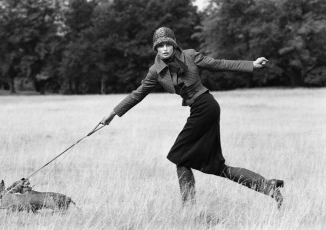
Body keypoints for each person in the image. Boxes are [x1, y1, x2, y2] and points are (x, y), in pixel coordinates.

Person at [101, 27, 284, 208]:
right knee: (217, 167)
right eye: (160, 45)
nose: (164, 48)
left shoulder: (190, 55)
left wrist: (251, 64)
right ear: (155, 48)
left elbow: (217, 64)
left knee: (179, 158)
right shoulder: (155, 71)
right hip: (198, 110)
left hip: (206, 106)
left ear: (174, 45)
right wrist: (112, 113)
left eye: (168, 44)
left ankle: (189, 209)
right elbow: (137, 94)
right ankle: (267, 186)